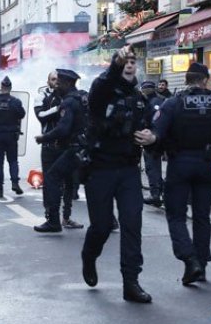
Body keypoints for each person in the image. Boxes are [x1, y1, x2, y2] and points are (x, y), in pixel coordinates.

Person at [143, 62, 211, 285]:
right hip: (205, 165)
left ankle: (189, 259)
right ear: (204, 80)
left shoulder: (173, 103)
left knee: (176, 215)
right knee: (202, 216)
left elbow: (157, 131)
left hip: (179, 164)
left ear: (186, 80)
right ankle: (201, 263)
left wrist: (151, 139)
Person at [80, 46, 154, 303]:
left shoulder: (139, 98)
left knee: (132, 224)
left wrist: (151, 137)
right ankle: (89, 257)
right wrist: (115, 63)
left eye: (133, 61)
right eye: (125, 62)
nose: (130, 65)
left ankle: (131, 282)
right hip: (100, 169)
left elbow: (152, 127)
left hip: (128, 170)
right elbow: (104, 82)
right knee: (101, 226)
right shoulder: (102, 91)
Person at [34, 69, 86, 232]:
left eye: (59, 81)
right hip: (63, 147)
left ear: (67, 83)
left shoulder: (71, 100)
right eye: (54, 80)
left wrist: (44, 137)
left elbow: (63, 128)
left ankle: (58, 220)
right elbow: (41, 115)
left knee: (58, 179)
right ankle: (53, 217)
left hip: (72, 147)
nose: (57, 83)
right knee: (89, 181)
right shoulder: (44, 96)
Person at [0, 76, 26, 198]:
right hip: (11, 135)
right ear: (10, 88)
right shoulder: (15, 101)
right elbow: (22, 114)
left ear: (1, 87)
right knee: (13, 161)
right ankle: (15, 182)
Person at [140, 80, 165, 207]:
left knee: (152, 166)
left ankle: (155, 194)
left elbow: (147, 120)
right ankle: (163, 190)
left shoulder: (148, 102)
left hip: (153, 138)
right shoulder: (162, 100)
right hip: (167, 136)